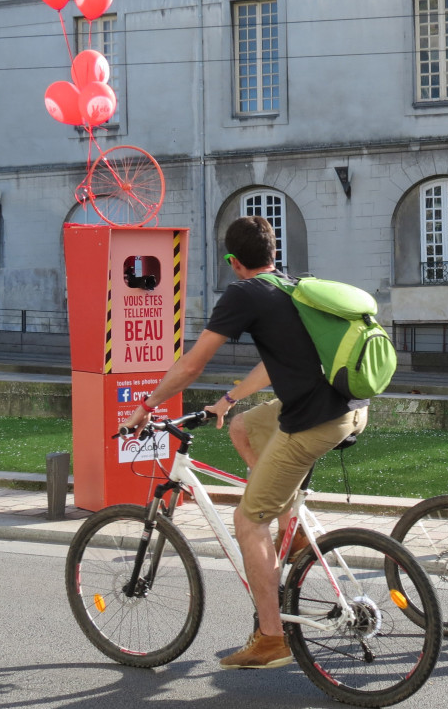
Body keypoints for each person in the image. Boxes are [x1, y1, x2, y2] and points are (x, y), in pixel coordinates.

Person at [118, 216, 368, 670]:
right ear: (272, 252)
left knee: (248, 520)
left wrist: (145, 405)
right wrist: (229, 400)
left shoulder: (243, 292)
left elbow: (192, 364)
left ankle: (272, 638)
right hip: (346, 406)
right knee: (243, 427)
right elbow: (279, 362)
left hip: (314, 419)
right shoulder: (292, 287)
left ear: (234, 262)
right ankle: (289, 532)